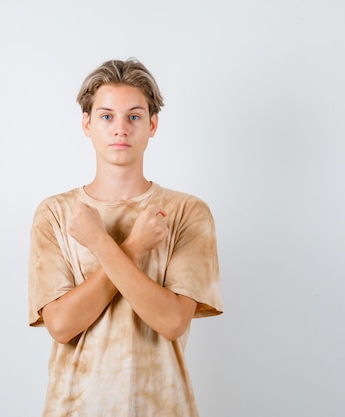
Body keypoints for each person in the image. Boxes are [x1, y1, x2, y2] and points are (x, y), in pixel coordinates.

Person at [28, 58, 223, 417]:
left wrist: (101, 243)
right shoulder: (57, 213)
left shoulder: (186, 212)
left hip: (162, 406)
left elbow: (172, 322)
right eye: (106, 116)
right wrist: (132, 247)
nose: (120, 129)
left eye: (133, 116)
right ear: (87, 124)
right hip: (74, 407)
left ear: (153, 125)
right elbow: (61, 325)